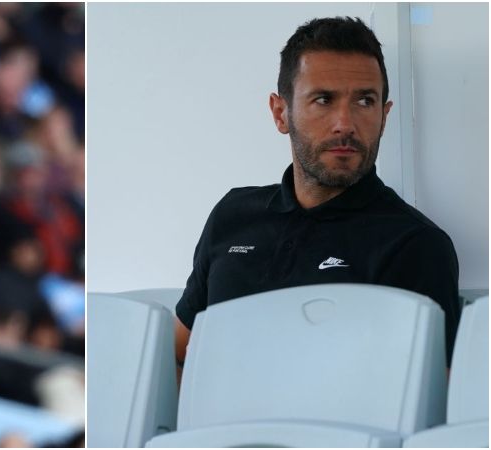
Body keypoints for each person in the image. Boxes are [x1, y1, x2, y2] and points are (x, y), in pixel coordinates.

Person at [174, 17, 461, 370]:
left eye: (365, 101)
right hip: (213, 426)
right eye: (324, 99)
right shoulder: (233, 214)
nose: (345, 123)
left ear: (384, 117)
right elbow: (178, 354)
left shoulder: (415, 244)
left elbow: (431, 396)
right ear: (281, 113)